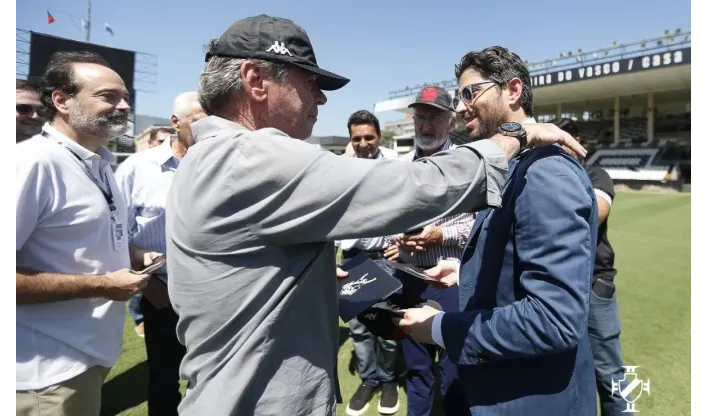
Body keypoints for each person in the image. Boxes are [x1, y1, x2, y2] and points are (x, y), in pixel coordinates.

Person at [165, 15, 586, 416]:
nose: (321, 97)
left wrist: (299, 278)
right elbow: (411, 188)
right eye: (310, 82)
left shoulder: (207, 158)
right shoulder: (248, 158)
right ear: (256, 80)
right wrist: (512, 136)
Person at [395, 46, 598, 415]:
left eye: (471, 93)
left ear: (514, 90)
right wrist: (464, 270)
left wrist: (440, 328)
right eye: (459, 96)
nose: (460, 107)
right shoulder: (515, 165)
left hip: (534, 401)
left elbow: (554, 319)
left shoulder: (545, 173)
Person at [16, 51, 159, 416]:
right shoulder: (32, 162)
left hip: (89, 355)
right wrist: (102, 285)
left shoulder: (99, 163)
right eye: (108, 96)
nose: (124, 106)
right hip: (45, 371)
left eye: (125, 97)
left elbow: (82, 239)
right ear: (62, 101)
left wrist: (134, 254)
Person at [114, 91, 206, 416]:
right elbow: (114, 235)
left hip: (213, 295)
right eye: (198, 121)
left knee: (211, 382)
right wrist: (150, 289)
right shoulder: (137, 169)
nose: (207, 128)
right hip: (160, 293)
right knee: (164, 381)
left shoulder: (223, 167)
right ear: (175, 122)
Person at [389, 85, 472, 416]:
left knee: (453, 371)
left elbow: (478, 225)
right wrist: (394, 234)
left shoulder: (468, 164)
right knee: (417, 369)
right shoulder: (400, 167)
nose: (426, 125)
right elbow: (387, 218)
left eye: (435, 118)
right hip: (408, 278)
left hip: (450, 282)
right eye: (421, 117)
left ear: (451, 123)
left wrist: (441, 234)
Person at [552, 117, 627, 416]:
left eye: (566, 139)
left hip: (595, 285)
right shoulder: (544, 177)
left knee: (611, 374)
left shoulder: (595, 174)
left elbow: (595, 213)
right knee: (564, 374)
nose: (560, 146)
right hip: (557, 285)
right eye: (555, 140)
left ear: (578, 141)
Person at [337, 110, 400, 416]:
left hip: (385, 258)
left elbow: (409, 205)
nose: (363, 143)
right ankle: (369, 380)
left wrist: (400, 241)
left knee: (386, 328)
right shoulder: (341, 169)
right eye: (356, 138)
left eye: (368, 137)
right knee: (360, 328)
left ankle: (388, 380)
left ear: (379, 136)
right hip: (353, 258)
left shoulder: (395, 166)